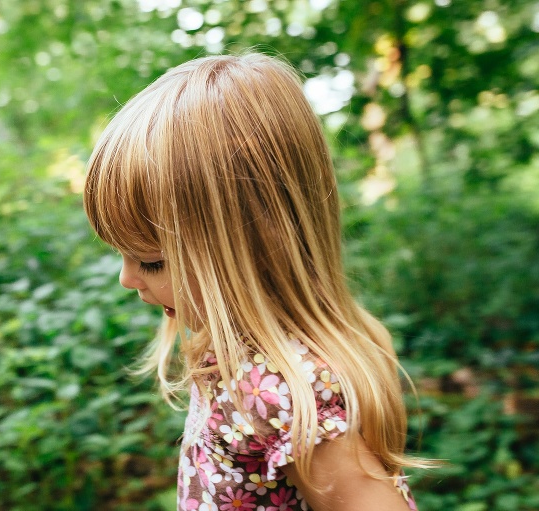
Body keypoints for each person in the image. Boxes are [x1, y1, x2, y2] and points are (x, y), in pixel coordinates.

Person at [84, 52, 430, 511]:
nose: (128, 279)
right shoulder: (246, 362)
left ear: (253, 245)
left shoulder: (273, 387)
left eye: (151, 262)